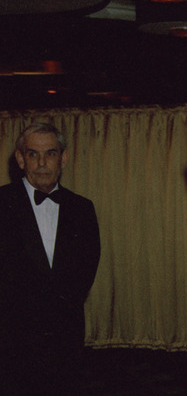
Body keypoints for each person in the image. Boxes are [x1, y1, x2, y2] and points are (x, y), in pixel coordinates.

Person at [0, 122, 101, 394]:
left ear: (64, 158)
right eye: (33, 154)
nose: (42, 163)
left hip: (64, 335)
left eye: (51, 154)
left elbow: (86, 269)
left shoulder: (82, 208)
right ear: (20, 159)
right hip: (11, 338)